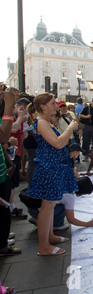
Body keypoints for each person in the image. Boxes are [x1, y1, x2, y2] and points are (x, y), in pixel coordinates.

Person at [27, 93, 79, 256]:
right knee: (47, 207)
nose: (56, 105)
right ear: (43, 106)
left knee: (49, 206)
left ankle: (49, 236)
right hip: (49, 168)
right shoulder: (42, 122)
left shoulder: (44, 122)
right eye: (52, 103)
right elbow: (57, 143)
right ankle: (44, 246)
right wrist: (70, 128)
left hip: (52, 166)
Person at [0, 87, 22, 257]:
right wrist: (8, 106)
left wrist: (8, 161)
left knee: (4, 210)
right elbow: (3, 137)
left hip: (3, 170)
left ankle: (3, 240)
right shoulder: (6, 109)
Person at [28, 176, 93, 230]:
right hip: (38, 210)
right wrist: (86, 224)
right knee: (64, 207)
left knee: (59, 203)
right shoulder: (69, 195)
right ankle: (55, 224)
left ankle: (41, 220)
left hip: (32, 204)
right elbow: (71, 219)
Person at [8, 97, 30, 219]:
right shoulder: (11, 117)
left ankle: (11, 206)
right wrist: (21, 117)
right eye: (24, 110)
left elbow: (19, 130)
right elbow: (13, 128)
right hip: (11, 153)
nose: (26, 113)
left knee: (12, 184)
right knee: (10, 183)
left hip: (16, 151)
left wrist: (24, 134)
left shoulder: (18, 118)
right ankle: (10, 207)